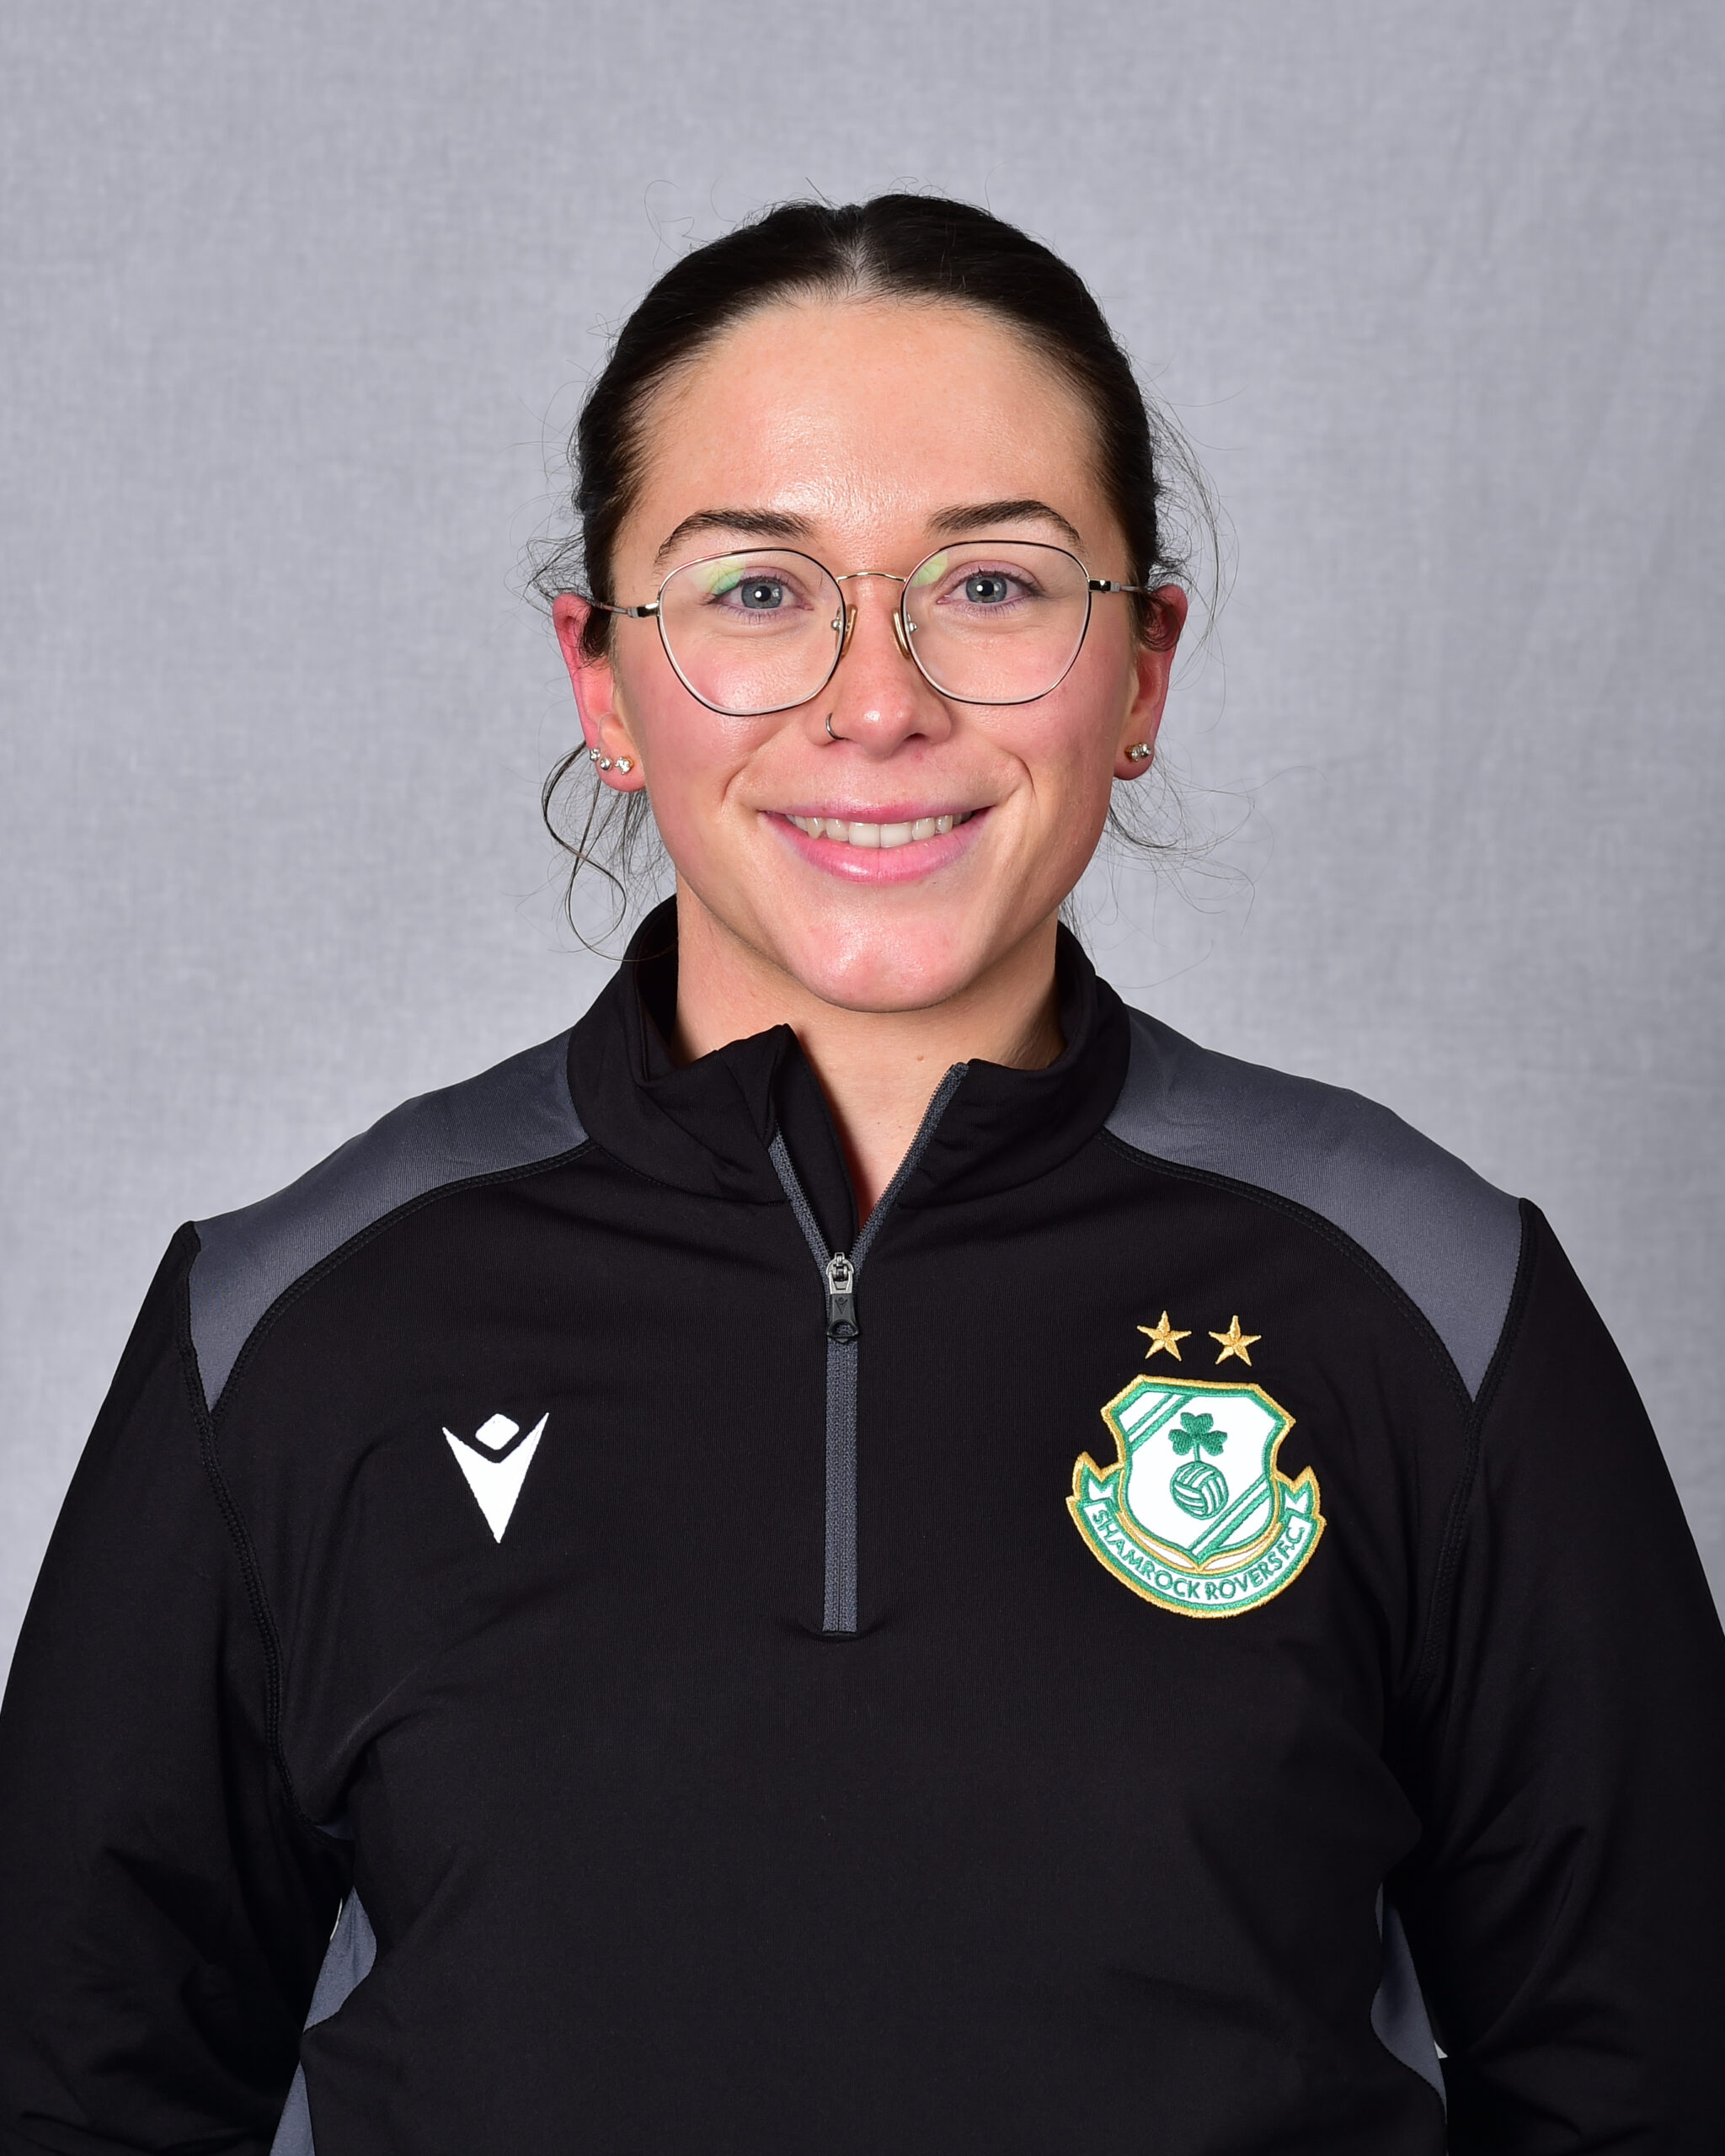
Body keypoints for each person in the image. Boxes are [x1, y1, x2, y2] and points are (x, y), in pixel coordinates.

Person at [1, 195, 1720, 2156]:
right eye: (755, 591)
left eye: (991, 586)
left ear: (1141, 667)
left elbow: (1643, 2081)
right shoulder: (288, 1325)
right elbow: (79, 2088)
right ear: (600, 678)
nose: (877, 698)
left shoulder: (1432, 1298)